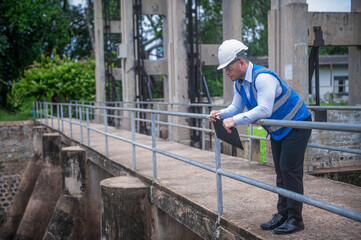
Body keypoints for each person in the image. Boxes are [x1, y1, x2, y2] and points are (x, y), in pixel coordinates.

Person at [209, 39, 312, 235]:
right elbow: (236, 108)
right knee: (281, 172)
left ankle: (296, 219)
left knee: (289, 170)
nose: (227, 72)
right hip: (279, 129)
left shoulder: (262, 78)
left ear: (241, 62)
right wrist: (221, 113)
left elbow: (264, 109)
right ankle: (283, 214)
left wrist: (235, 121)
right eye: (225, 69)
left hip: (297, 124)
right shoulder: (239, 83)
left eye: (229, 68)